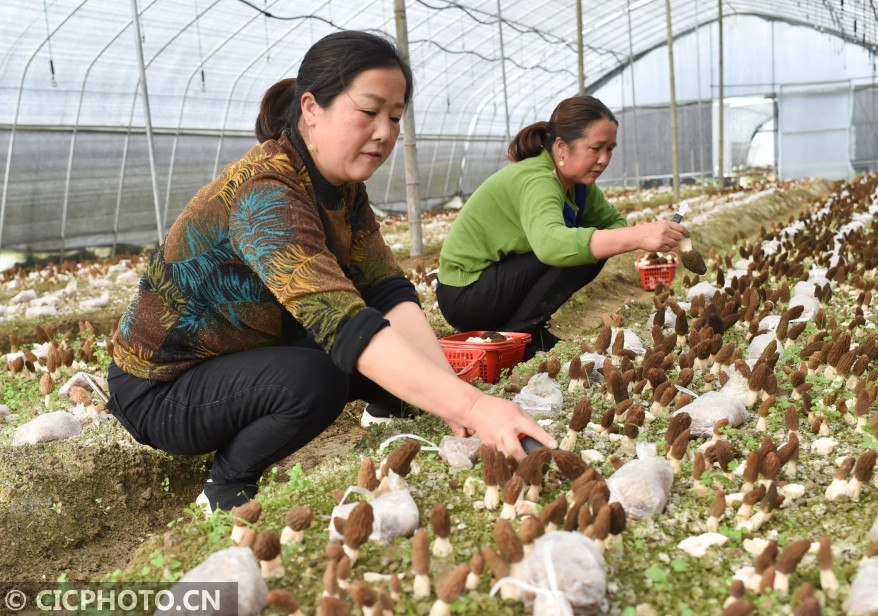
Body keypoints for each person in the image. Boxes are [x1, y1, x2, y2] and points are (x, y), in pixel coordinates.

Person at [106, 31, 555, 513]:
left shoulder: (343, 187)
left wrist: (455, 396)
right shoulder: (264, 191)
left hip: (244, 351)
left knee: (386, 346)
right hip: (163, 389)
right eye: (369, 111)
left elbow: (386, 290)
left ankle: (388, 410)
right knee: (319, 377)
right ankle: (226, 485)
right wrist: (476, 408)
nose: (384, 132)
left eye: (395, 117)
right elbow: (339, 320)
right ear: (311, 109)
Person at [436, 96, 689, 359]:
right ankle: (520, 335)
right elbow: (551, 245)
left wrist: (628, 236)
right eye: (596, 148)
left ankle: (529, 330)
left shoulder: (577, 184)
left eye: (610, 149)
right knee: (573, 249)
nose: (604, 159)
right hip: (466, 295)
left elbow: (613, 224)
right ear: (561, 147)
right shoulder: (538, 179)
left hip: (496, 284)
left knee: (591, 246)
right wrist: (637, 236)